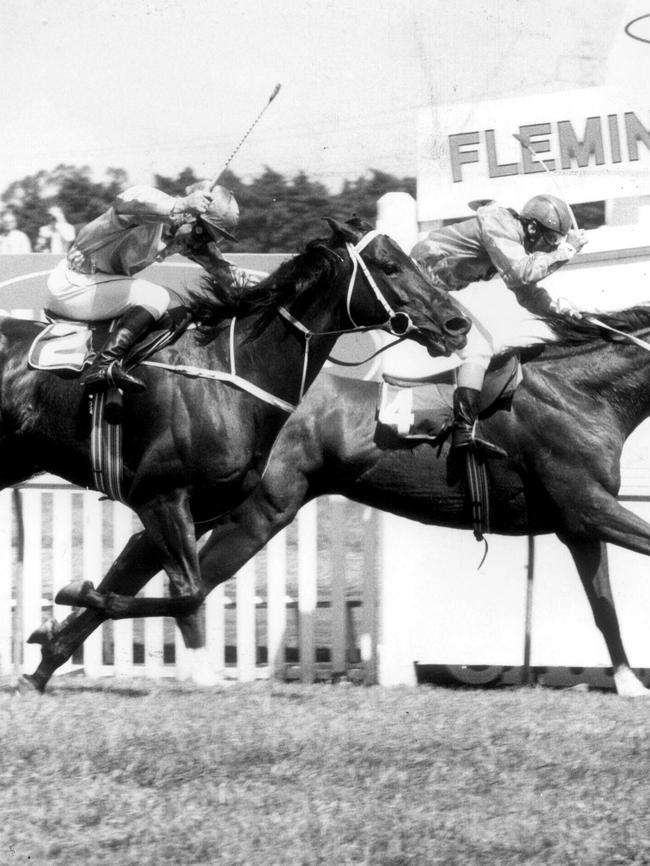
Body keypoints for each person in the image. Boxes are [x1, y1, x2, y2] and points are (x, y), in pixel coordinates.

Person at [410, 194, 587, 454]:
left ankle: (464, 429)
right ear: (532, 227)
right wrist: (566, 250)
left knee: (482, 345)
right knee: (478, 349)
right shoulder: (500, 224)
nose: (549, 249)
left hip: (430, 284)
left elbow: (525, 291)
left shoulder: (512, 236)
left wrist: (557, 308)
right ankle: (464, 434)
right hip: (418, 279)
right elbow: (522, 272)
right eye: (549, 241)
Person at [45, 180, 239, 394]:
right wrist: (182, 204)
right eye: (203, 234)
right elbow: (125, 203)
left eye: (212, 240)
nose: (199, 244)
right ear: (190, 215)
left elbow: (229, 275)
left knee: (176, 305)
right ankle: (102, 366)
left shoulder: (182, 236)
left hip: (93, 290)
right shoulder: (153, 203)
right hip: (74, 285)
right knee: (156, 297)